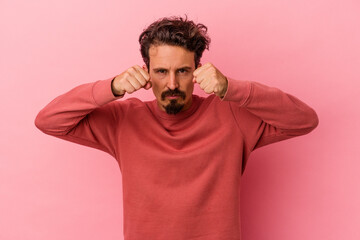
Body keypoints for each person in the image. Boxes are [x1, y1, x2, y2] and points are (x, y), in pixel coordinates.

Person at [35, 15, 319, 240]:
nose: (171, 84)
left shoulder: (232, 116)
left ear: (197, 70)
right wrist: (112, 87)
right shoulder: (123, 120)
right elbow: (49, 120)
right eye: (161, 71)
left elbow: (304, 119)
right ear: (146, 73)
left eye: (182, 71)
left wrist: (231, 88)